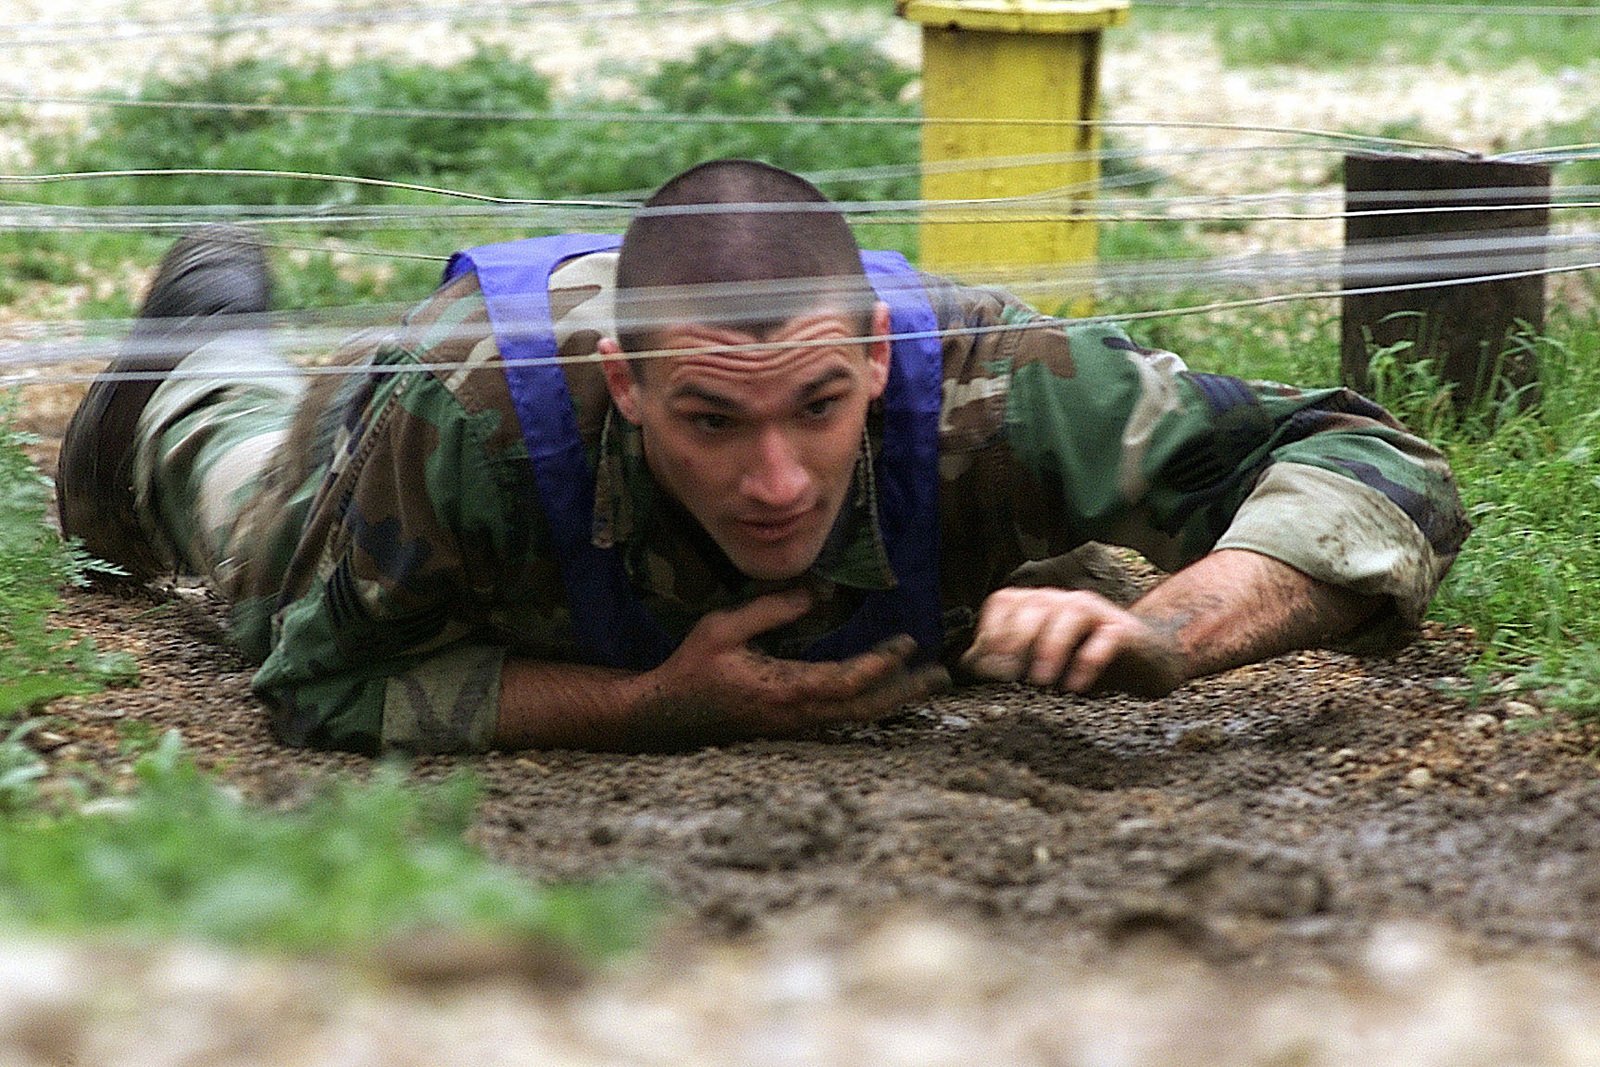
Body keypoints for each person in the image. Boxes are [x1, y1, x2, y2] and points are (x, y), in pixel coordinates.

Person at [56, 159, 1469, 755]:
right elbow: (324, 683)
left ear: (870, 359)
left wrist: (1171, 630)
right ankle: (196, 360)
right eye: (712, 421)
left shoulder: (996, 385)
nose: (778, 479)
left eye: (815, 405)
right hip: (414, 440)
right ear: (624, 381)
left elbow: (1373, 460)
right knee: (237, 501)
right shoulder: (470, 412)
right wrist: (655, 704)